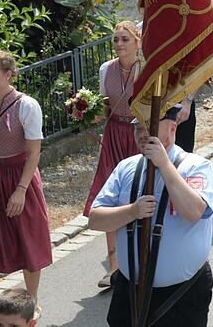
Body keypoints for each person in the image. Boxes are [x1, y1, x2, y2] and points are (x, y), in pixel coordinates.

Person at [90, 105, 213, 326]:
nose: (142, 135)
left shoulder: (195, 166)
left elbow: (193, 212)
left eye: (149, 128)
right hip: (131, 290)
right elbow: (95, 219)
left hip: (181, 294)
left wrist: (165, 165)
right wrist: (131, 211)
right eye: (137, 128)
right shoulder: (126, 168)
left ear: (172, 128)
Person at [0, 50, 51, 327]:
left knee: (28, 244)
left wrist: (21, 190)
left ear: (8, 75)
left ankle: (29, 309)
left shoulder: (27, 106)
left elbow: (34, 153)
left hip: (19, 176)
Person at [83, 21, 141, 290]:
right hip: (115, 135)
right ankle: (114, 266)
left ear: (137, 42)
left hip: (140, 134)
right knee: (110, 197)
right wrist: (86, 115)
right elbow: (104, 110)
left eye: (124, 39)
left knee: (141, 192)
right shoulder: (106, 69)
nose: (119, 44)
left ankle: (142, 258)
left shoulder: (146, 67)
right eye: (116, 39)